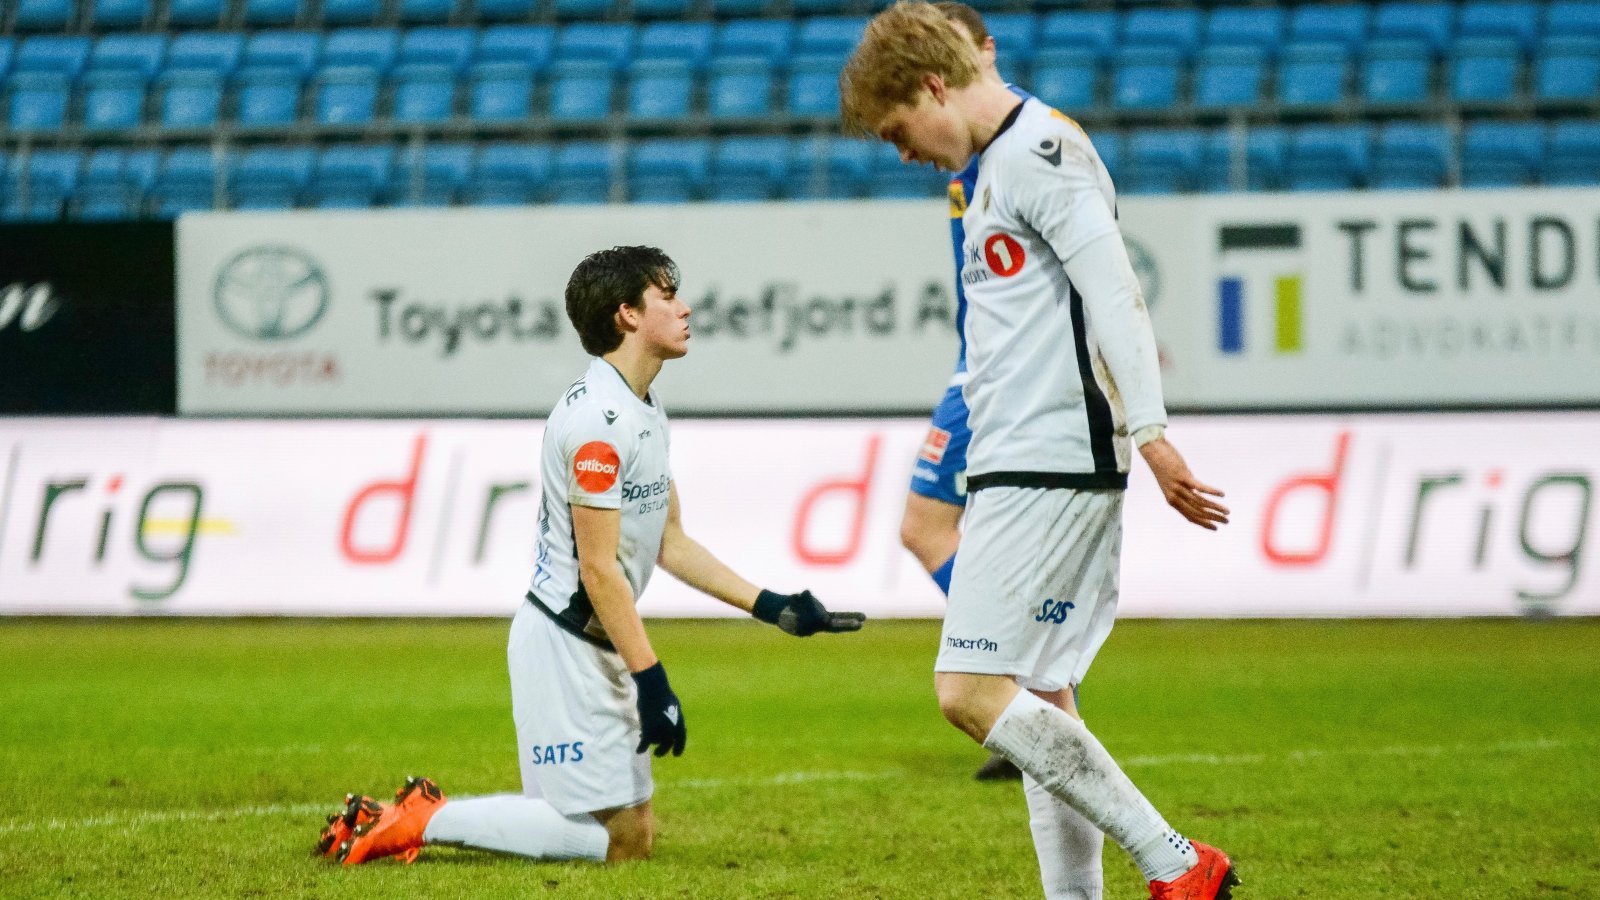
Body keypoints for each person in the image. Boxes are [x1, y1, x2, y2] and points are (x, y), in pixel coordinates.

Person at [841, 5, 1240, 900]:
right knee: (1042, 694)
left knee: (968, 691)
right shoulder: (992, 168)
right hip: (1020, 457)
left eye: (899, 131)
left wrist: (1153, 433)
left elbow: (1116, 291)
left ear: (934, 87)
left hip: (1051, 458)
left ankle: (1178, 863)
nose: (903, 155)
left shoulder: (1041, 153)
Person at [314, 246, 866, 866]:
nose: (686, 309)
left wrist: (773, 606)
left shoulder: (643, 408)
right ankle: (425, 818)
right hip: (565, 647)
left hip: (591, 645)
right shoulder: (597, 425)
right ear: (627, 314)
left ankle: (424, 816)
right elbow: (598, 571)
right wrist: (652, 680)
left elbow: (670, 541)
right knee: (624, 844)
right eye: (667, 298)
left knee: (625, 838)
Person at [900, 0, 1030, 785]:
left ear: (986, 48)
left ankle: (1025, 688)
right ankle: (1028, 690)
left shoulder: (1018, 143)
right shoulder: (963, 149)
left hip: (997, 370)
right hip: (977, 359)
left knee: (926, 526)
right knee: (934, 529)